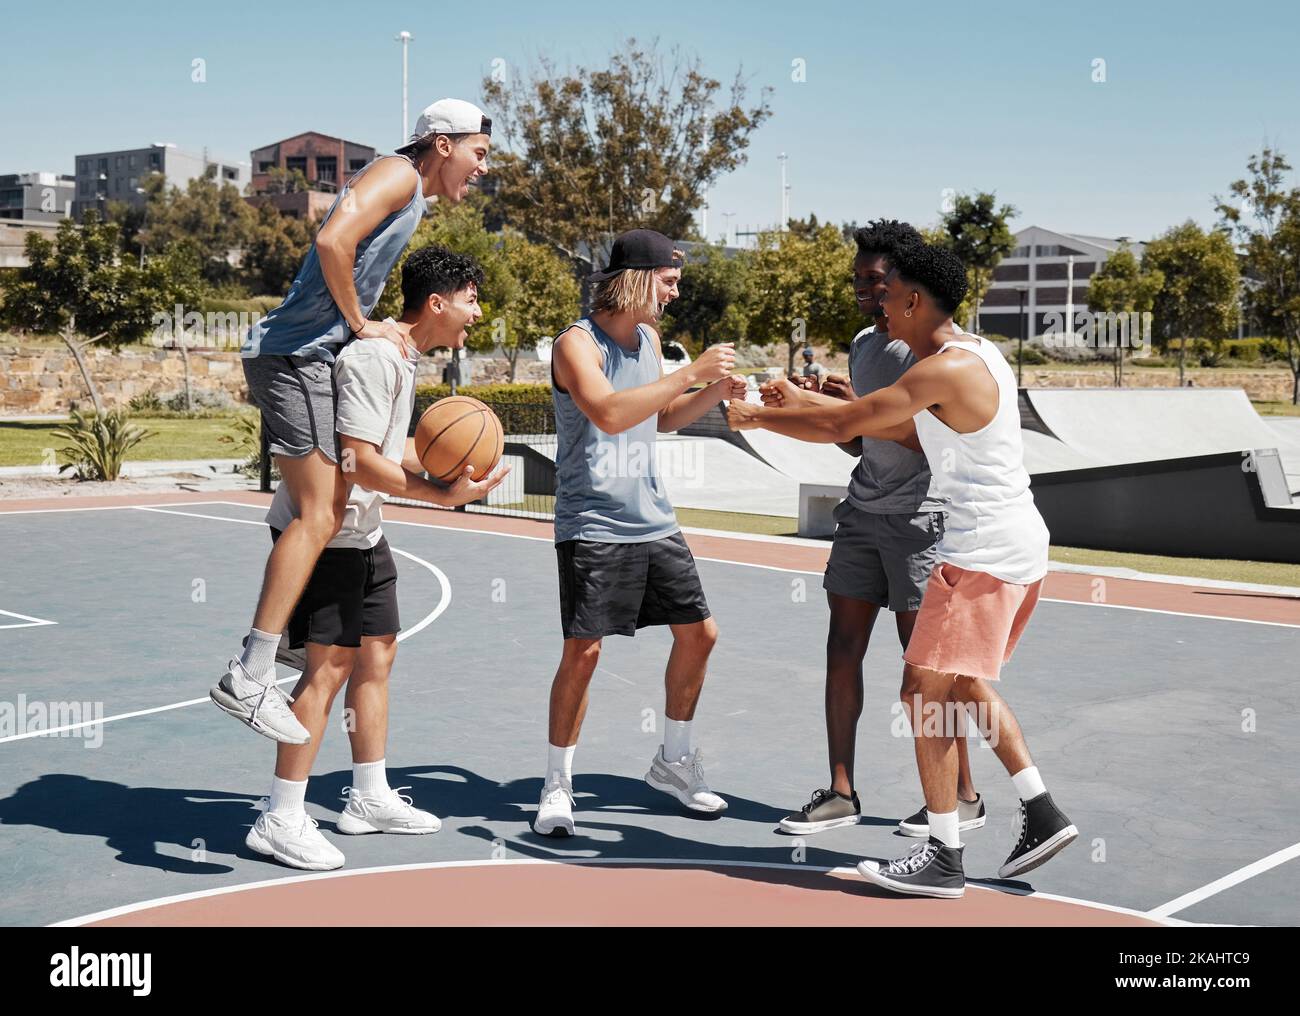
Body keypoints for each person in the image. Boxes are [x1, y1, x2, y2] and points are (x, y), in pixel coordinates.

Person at [727, 243, 1076, 898]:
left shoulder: (942, 371)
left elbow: (853, 423)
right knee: (959, 684)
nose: (878, 303)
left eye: (888, 295)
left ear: (915, 301)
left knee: (922, 693)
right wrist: (806, 397)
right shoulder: (974, 358)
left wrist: (757, 416)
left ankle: (945, 852)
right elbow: (900, 432)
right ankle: (1040, 809)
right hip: (1011, 548)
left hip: (981, 554)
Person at [212, 99, 492, 743]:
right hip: (292, 354)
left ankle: (280, 647)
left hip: (302, 354)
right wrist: (361, 325)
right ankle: (251, 669)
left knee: (327, 508)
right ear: (443, 144)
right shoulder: (397, 175)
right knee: (321, 513)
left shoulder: (409, 196)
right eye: (479, 153)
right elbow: (331, 239)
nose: (482, 168)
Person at [245, 246, 508, 870]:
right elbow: (359, 462)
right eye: (470, 299)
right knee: (327, 670)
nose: (477, 313)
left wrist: (448, 472)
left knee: (376, 659)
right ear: (437, 301)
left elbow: (387, 453)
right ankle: (280, 815)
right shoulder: (371, 358)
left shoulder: (401, 359)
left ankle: (367, 795)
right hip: (329, 539)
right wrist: (441, 496)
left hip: (364, 534)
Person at [534, 228, 748, 837]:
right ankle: (557, 785)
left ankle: (673, 762)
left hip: (653, 517)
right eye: (670, 279)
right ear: (636, 278)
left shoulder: (651, 341)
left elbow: (661, 418)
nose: (676, 291)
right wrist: (691, 373)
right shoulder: (577, 344)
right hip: (593, 519)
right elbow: (606, 411)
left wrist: (712, 391)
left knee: (700, 635)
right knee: (585, 652)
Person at [775, 220, 985, 838]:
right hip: (863, 513)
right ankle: (841, 792)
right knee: (842, 650)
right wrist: (840, 407)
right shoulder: (868, 344)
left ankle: (964, 796)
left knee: (928, 668)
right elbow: (862, 442)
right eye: (859, 278)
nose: (864, 288)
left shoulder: (932, 351)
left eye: (876, 279)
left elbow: (927, 438)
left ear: (905, 284)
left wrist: (828, 412)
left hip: (921, 522)